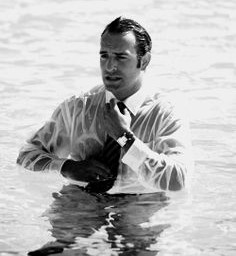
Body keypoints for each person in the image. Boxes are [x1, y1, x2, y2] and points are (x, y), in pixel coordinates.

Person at [17, 16, 193, 194]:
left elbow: (178, 179)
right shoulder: (79, 107)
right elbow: (26, 155)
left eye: (120, 57)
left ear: (144, 61)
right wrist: (67, 167)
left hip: (141, 208)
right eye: (104, 56)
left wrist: (125, 138)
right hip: (81, 205)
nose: (109, 66)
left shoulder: (165, 112)